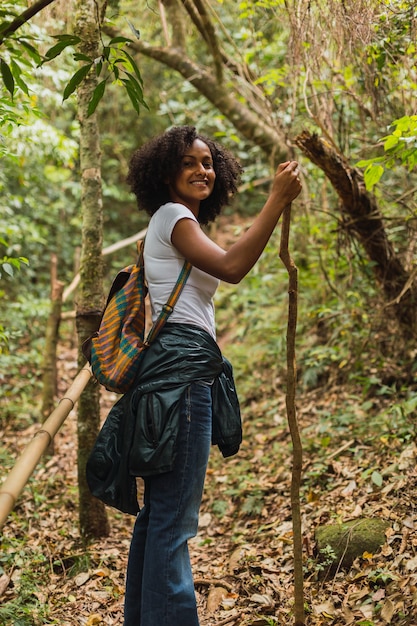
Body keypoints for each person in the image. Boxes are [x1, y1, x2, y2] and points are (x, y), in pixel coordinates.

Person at [123, 125, 302, 626]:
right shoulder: (175, 216)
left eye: (207, 162)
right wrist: (277, 199)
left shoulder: (176, 223)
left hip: (165, 378)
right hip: (182, 379)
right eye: (188, 162)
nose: (202, 169)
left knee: (158, 517)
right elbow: (234, 265)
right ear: (165, 173)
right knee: (174, 522)